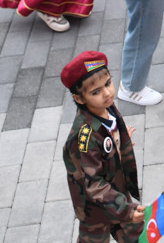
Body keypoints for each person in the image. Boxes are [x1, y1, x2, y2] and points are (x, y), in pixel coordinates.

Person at [60, 51, 144, 243]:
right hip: (95, 207)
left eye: (107, 83)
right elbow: (94, 184)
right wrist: (127, 210)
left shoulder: (107, 108)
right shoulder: (85, 136)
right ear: (79, 99)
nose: (107, 93)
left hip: (115, 193)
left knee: (139, 236)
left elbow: (106, 141)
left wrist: (120, 143)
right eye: (95, 92)